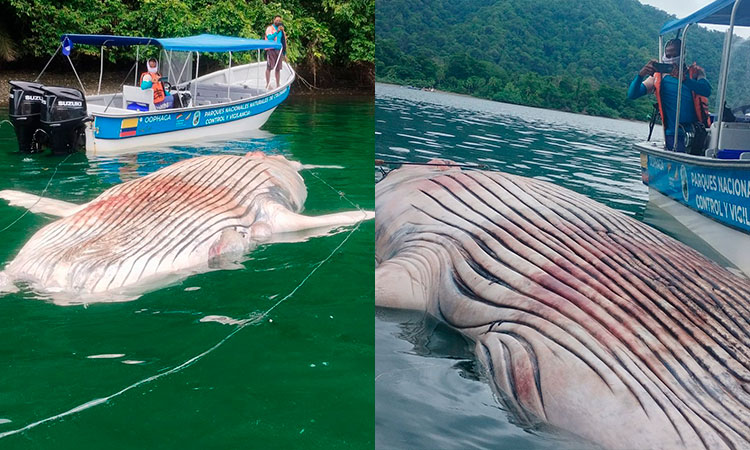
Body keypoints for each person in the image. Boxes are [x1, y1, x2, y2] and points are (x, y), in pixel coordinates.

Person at [627, 39, 711, 153]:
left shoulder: (696, 73)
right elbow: (632, 94)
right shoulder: (657, 77)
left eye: (675, 55)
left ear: (683, 54)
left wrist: (684, 80)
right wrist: (641, 75)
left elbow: (706, 90)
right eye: (668, 55)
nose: (671, 59)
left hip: (697, 133)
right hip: (672, 134)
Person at [265, 15, 287, 89]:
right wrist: (276, 32)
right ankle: (268, 84)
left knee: (278, 68)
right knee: (269, 67)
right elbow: (269, 38)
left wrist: (284, 53)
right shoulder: (269, 28)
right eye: (277, 20)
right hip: (271, 50)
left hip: (279, 50)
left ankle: (278, 84)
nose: (278, 22)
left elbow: (283, 42)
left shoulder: (282, 30)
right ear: (274, 20)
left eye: (279, 20)